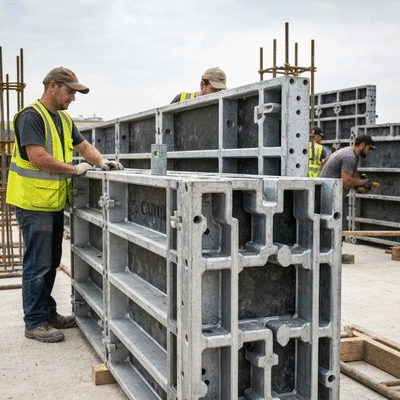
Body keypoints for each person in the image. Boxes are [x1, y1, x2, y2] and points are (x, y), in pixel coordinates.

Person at [6, 66, 124, 343]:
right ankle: (34, 321)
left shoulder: (64, 120)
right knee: (37, 264)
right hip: (32, 203)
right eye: (70, 91)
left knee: (51, 261)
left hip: (51, 202)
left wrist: (101, 161)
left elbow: (83, 147)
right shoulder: (31, 117)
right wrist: (75, 170)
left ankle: (47, 313)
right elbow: (37, 157)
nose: (73, 97)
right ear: (52, 87)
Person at [319, 134, 377, 231]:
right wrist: (363, 183)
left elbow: (323, 163)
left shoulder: (346, 151)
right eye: (369, 148)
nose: (369, 152)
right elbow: (346, 180)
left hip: (326, 193)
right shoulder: (350, 157)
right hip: (330, 198)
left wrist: (358, 187)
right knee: (337, 229)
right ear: (362, 145)